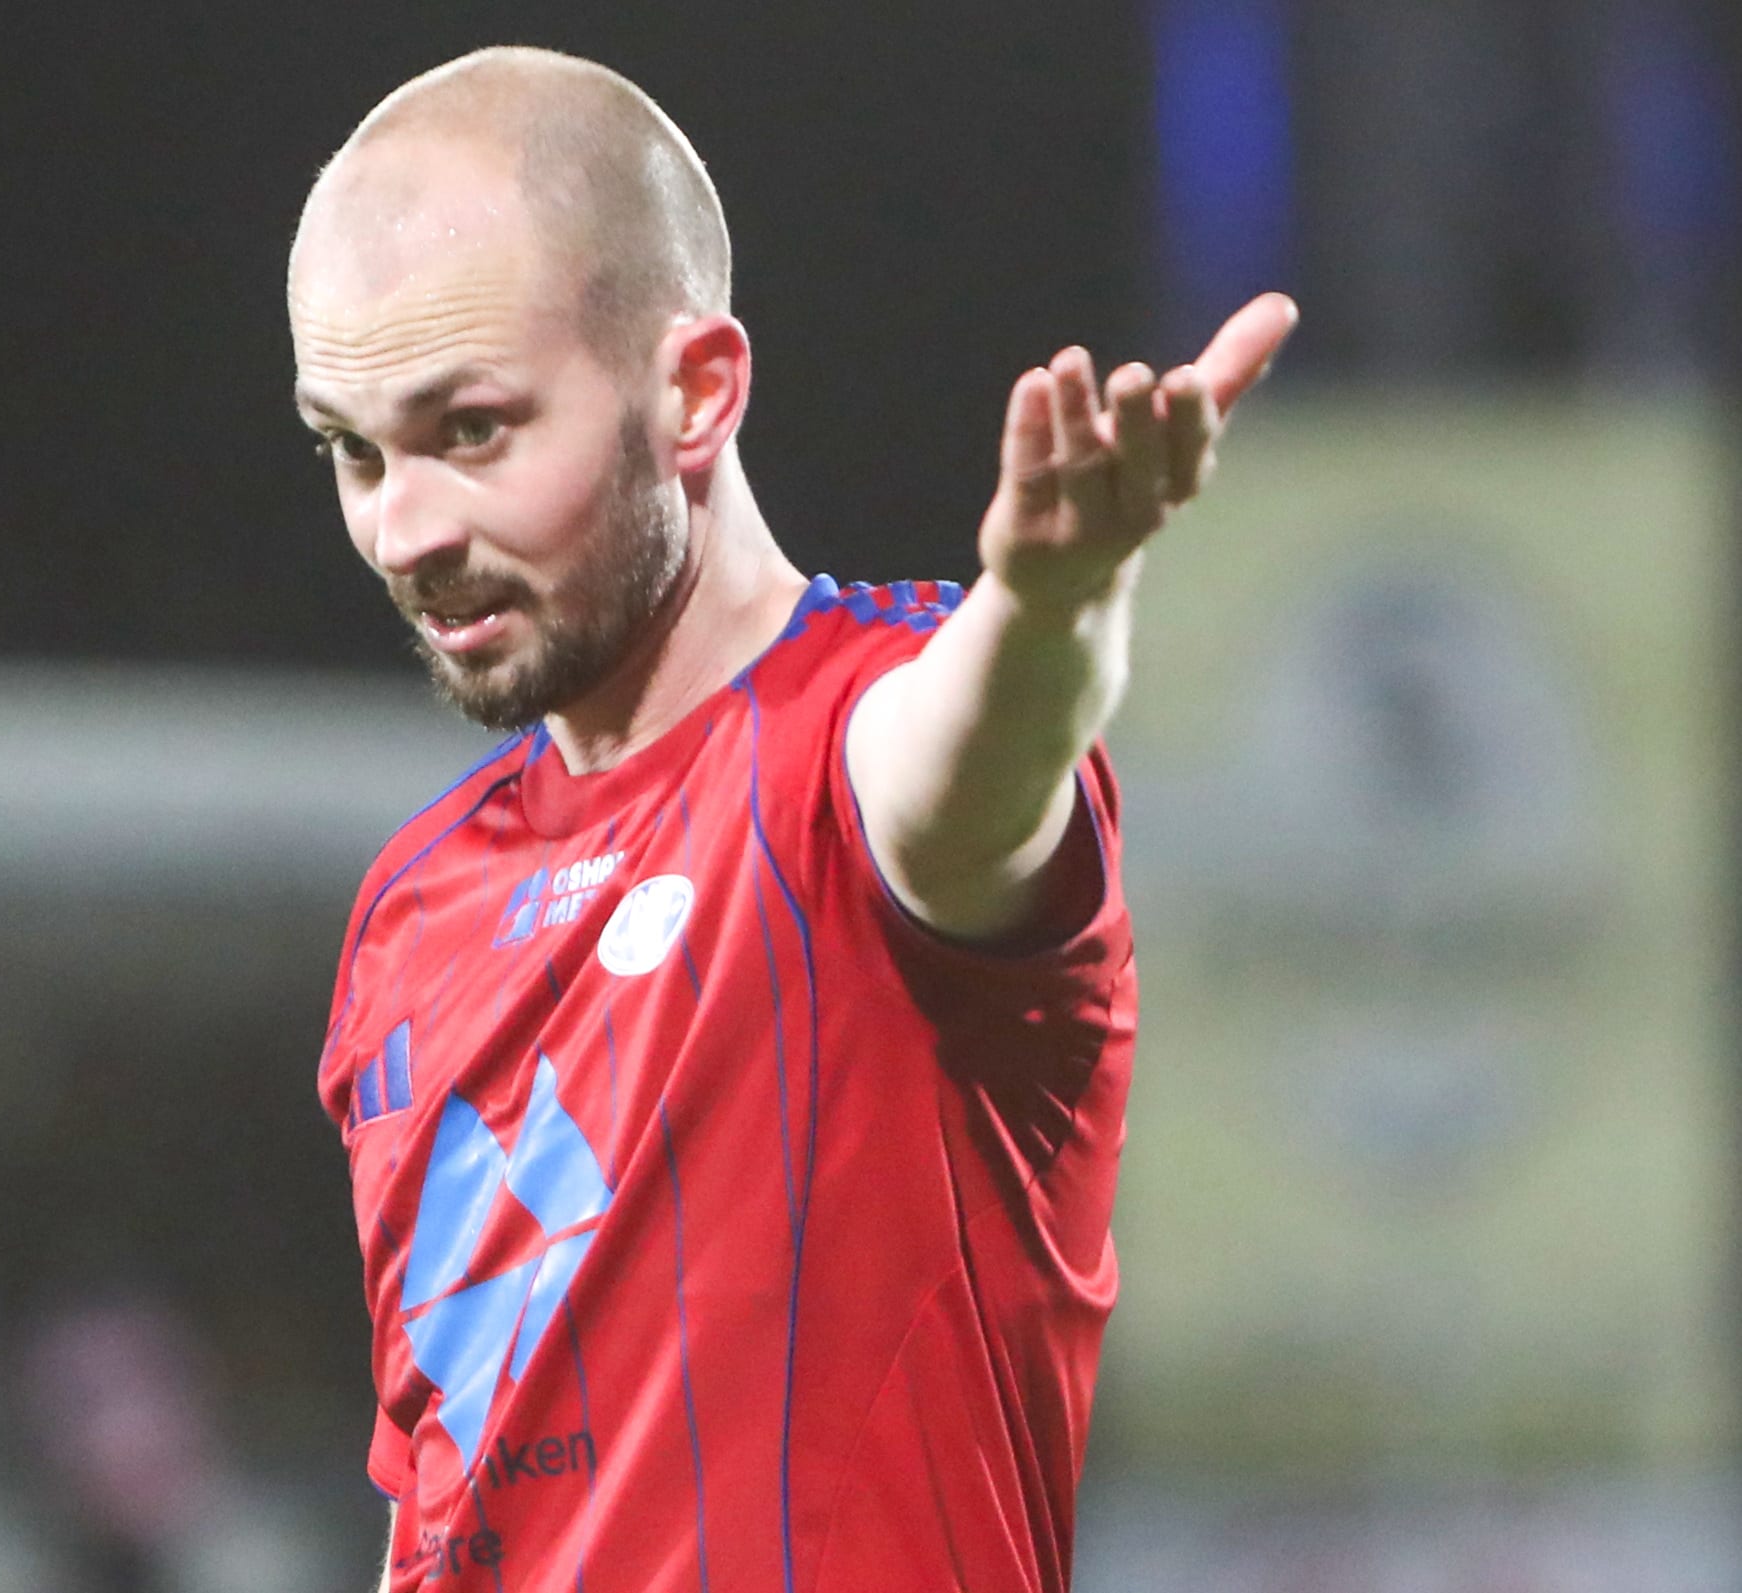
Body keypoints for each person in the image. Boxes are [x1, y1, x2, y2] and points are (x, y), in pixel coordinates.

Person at [288, 45, 1294, 1593]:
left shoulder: (847, 749)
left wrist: (1052, 603)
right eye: (354, 450)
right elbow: (444, 1493)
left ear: (694, 390)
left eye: (471, 428)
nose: (402, 529)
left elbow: (973, 768)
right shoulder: (413, 909)